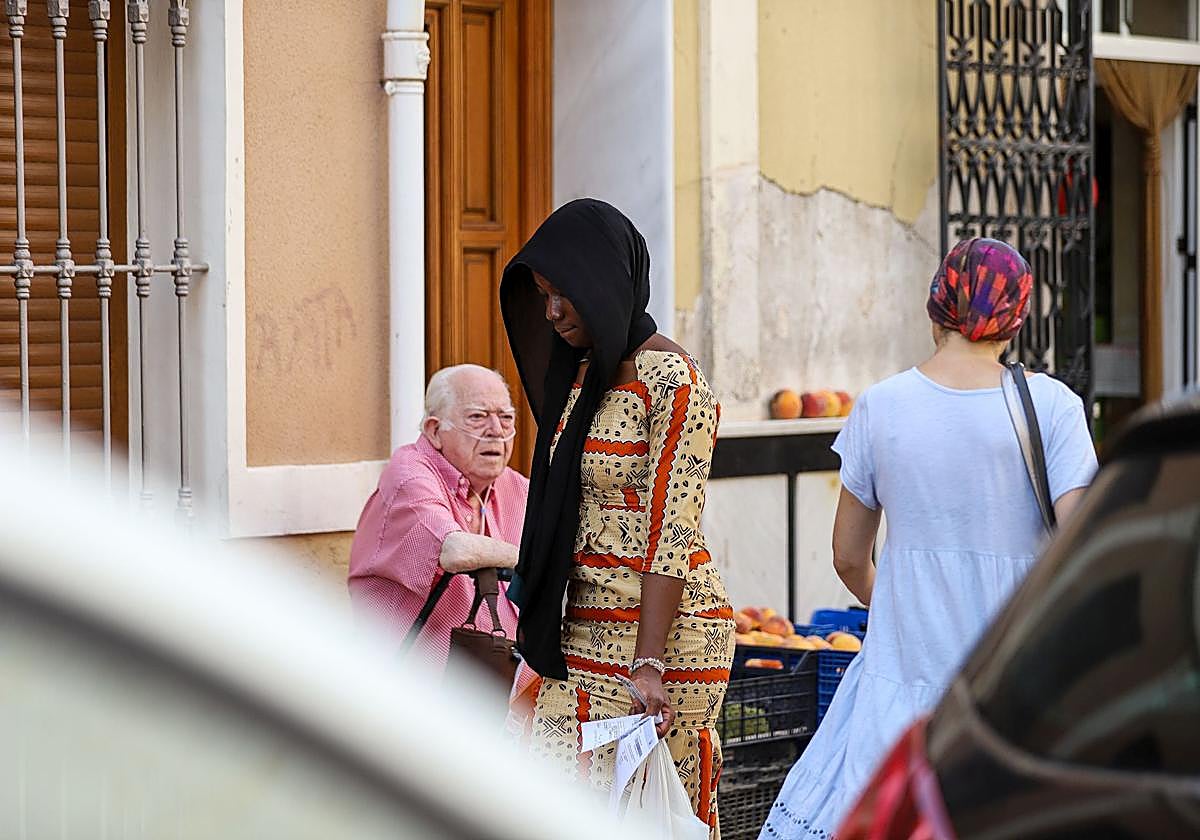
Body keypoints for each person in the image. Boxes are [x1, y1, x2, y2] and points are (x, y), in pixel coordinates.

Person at [760, 238, 1099, 839]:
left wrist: (900, 602)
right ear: (1015, 319)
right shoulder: (1053, 407)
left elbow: (847, 556)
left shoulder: (881, 406)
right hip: (1008, 688)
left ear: (937, 304)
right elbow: (1081, 545)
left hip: (900, 683)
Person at [500, 198, 734, 835]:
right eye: (543, 296)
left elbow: (673, 529)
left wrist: (648, 662)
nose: (551, 312)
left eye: (563, 294)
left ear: (603, 281)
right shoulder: (579, 375)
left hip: (665, 641)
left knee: (649, 819)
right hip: (578, 630)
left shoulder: (675, 382)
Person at [347, 364, 528, 671]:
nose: (497, 430)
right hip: (411, 687)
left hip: (504, 687)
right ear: (434, 430)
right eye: (478, 417)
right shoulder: (409, 474)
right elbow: (456, 551)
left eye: (506, 418)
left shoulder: (516, 487)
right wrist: (531, 560)